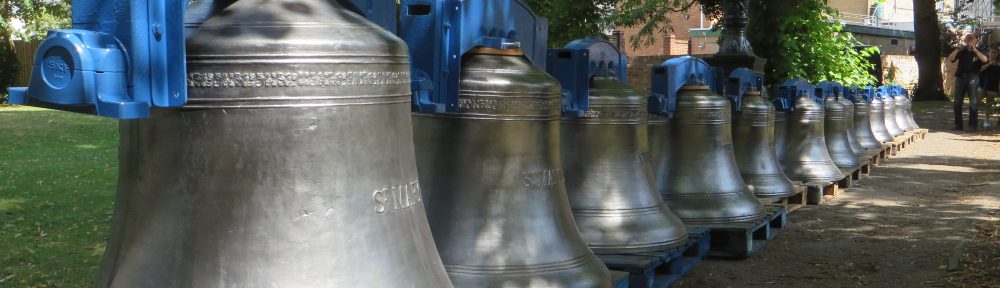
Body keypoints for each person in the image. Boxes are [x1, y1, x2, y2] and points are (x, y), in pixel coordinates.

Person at [948, 34, 988, 131]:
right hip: (961, 77)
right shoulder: (961, 50)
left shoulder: (980, 50)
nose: (969, 40)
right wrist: (957, 50)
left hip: (973, 77)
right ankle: (958, 125)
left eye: (971, 38)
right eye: (967, 38)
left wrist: (975, 51)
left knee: (973, 102)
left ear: (975, 40)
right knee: (957, 102)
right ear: (965, 40)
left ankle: (973, 125)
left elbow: (985, 60)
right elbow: (951, 58)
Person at [979, 48, 1000, 128]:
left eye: (996, 53)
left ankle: (986, 121)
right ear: (989, 53)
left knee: (989, 105)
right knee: (975, 101)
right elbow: (979, 70)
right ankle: (973, 121)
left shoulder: (998, 64)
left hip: (993, 87)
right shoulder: (984, 61)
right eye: (992, 52)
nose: (994, 54)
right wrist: (989, 64)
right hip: (982, 86)